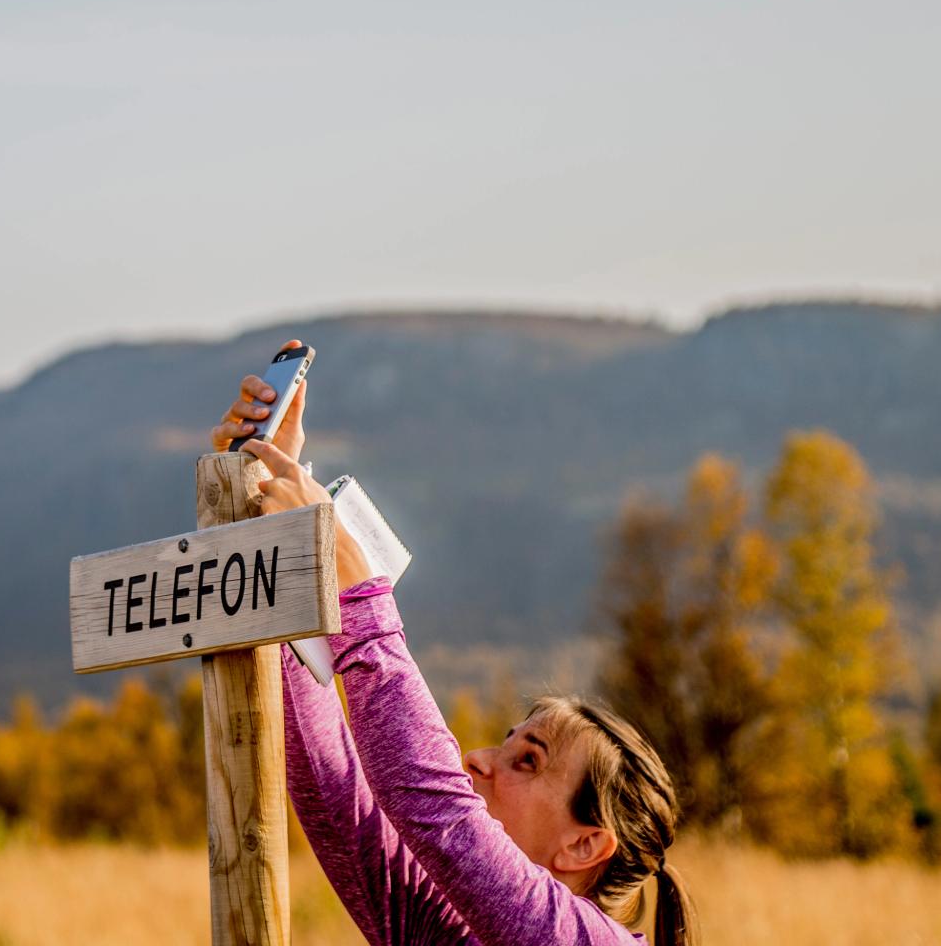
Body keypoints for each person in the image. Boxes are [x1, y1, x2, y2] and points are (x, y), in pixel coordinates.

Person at [211, 342, 698, 946]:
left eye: (528, 761)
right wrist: (276, 513)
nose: (477, 761)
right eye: (510, 744)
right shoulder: (446, 929)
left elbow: (429, 802)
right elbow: (337, 794)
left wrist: (359, 593)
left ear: (585, 844)